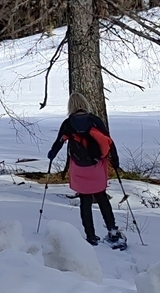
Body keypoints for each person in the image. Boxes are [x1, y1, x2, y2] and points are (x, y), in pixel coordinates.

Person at [47, 92, 123, 246]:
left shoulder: (68, 123)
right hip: (96, 166)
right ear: (85, 104)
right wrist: (115, 161)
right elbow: (109, 141)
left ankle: (91, 236)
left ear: (71, 106)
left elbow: (58, 143)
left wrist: (51, 155)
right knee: (101, 197)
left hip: (79, 167)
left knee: (85, 200)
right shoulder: (94, 120)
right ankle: (112, 230)